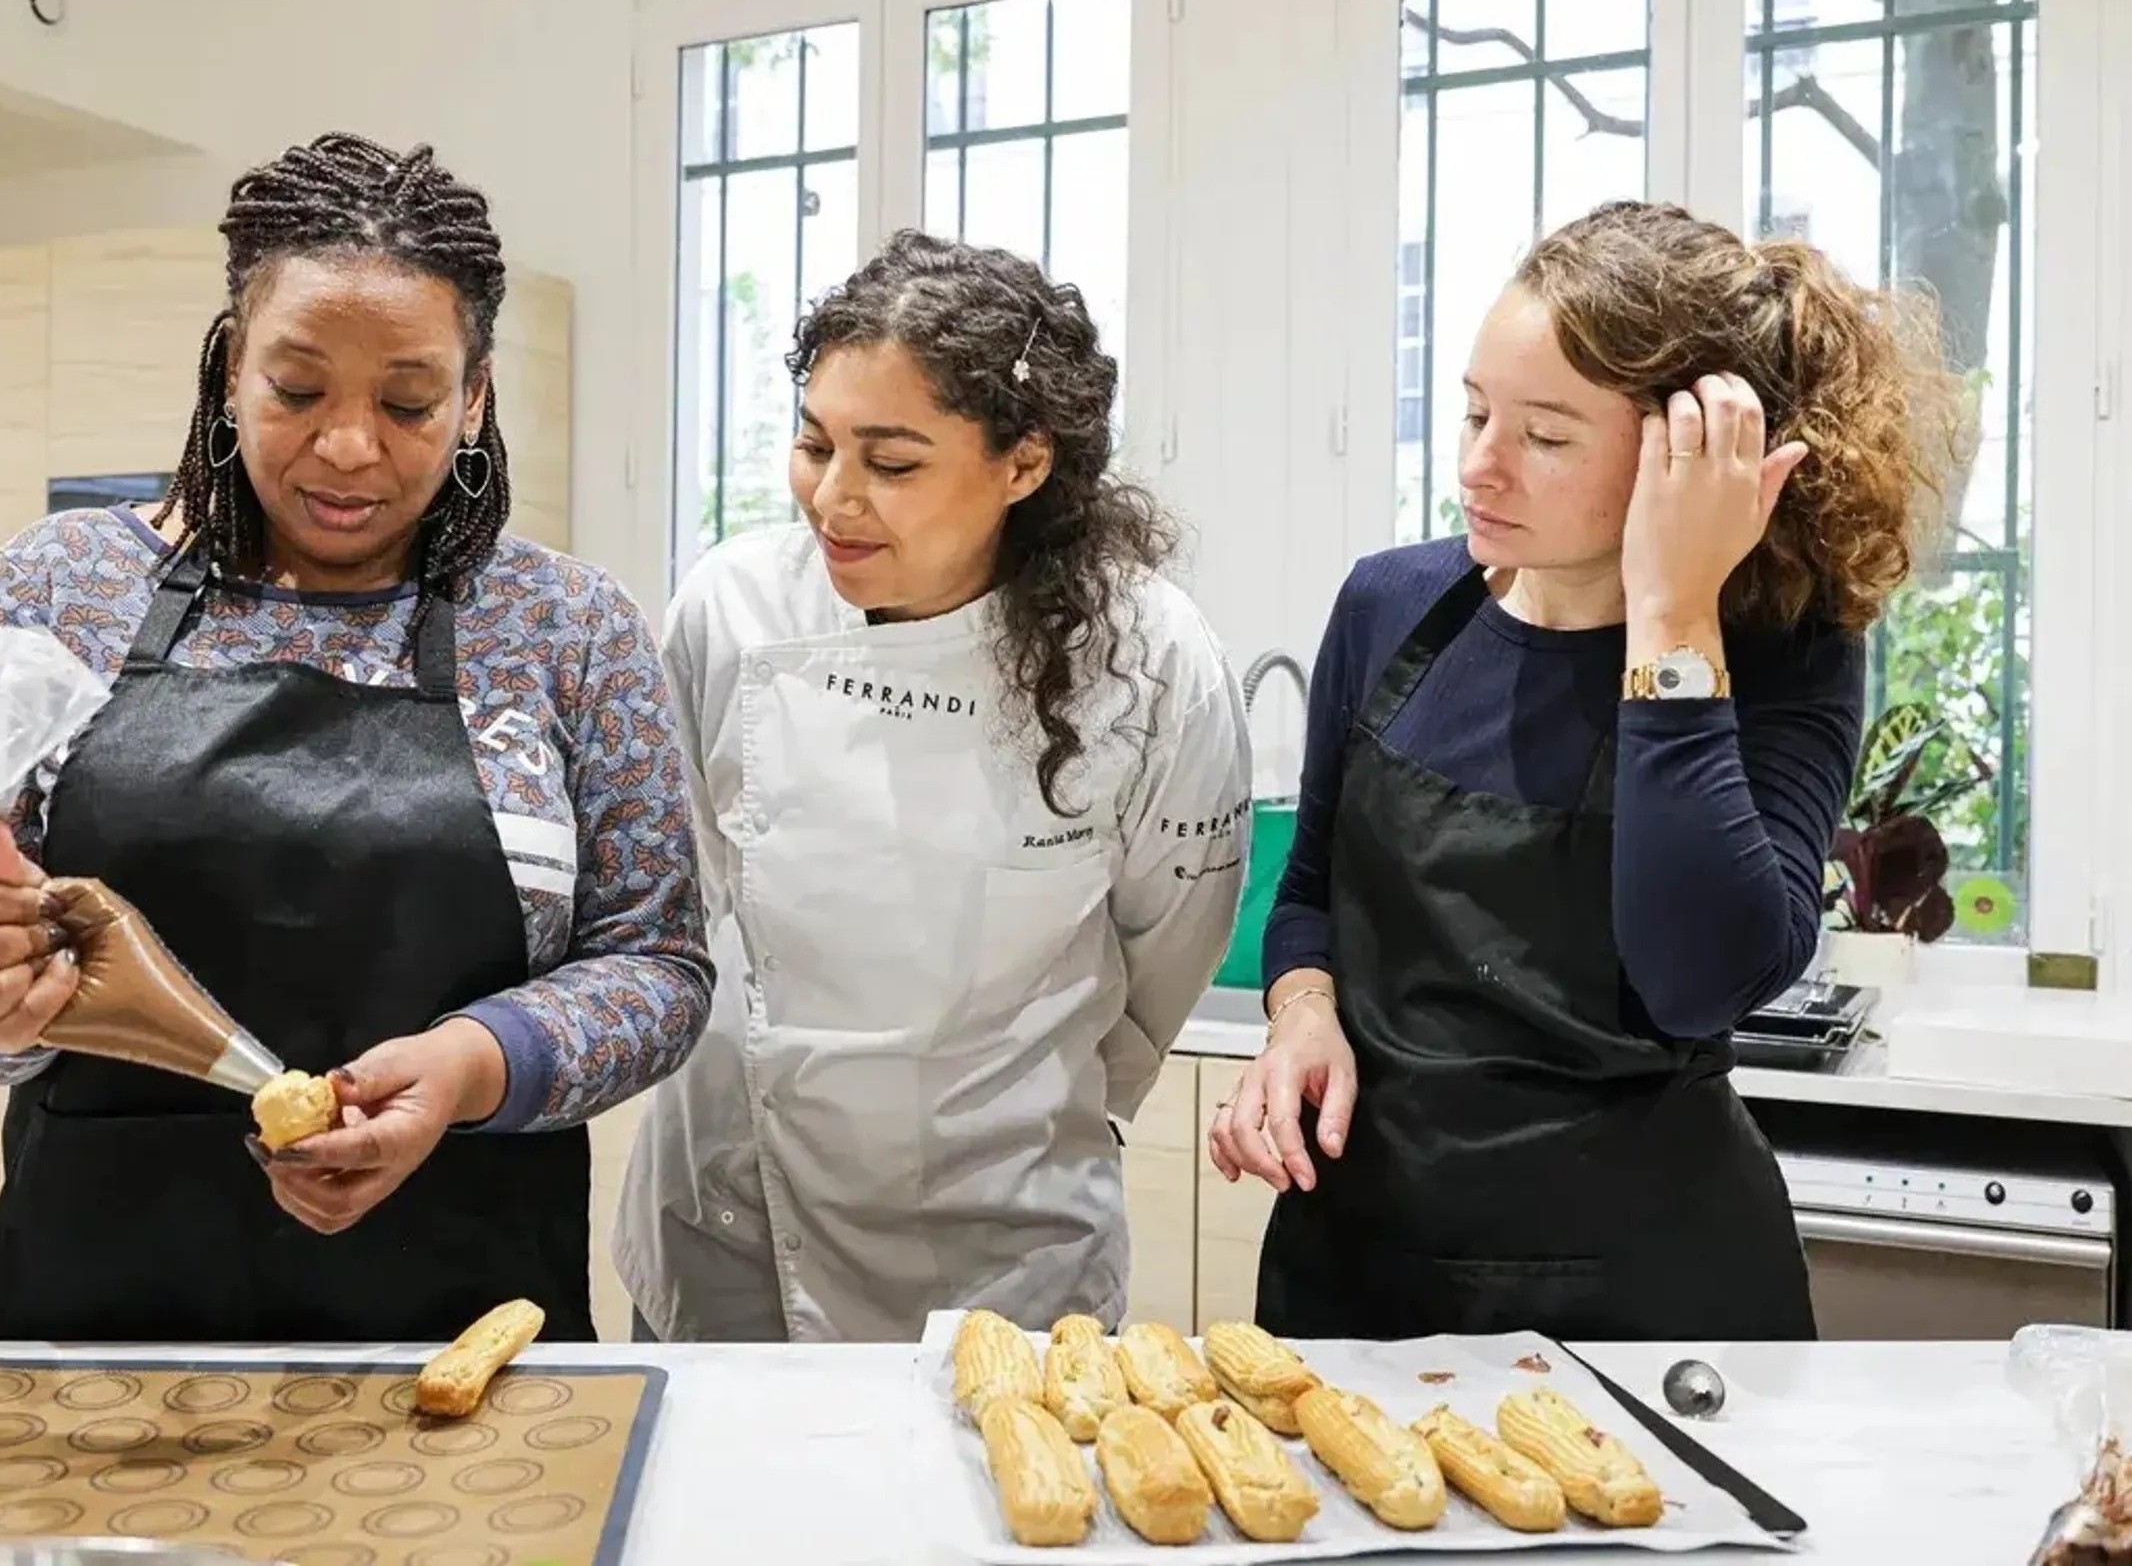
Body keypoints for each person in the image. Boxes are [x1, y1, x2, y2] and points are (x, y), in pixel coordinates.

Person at [0, 133, 713, 1344]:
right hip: (93, 1321)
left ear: (475, 397)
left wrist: (477, 1060)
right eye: (297, 389)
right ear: (228, 371)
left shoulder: (566, 627)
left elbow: (660, 964)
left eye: (410, 400)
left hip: (468, 1322)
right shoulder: (61, 588)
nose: (349, 447)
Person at [1211, 199, 1958, 1343]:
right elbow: (1310, 894)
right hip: (1355, 1270)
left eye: (1545, 435)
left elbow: (1701, 976)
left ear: (1688, 451)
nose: (1478, 465)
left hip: (1653, 1303)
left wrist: (1669, 611)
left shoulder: (1783, 652)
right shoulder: (1390, 606)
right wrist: (1300, 1016)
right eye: (1470, 413)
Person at [614, 230, 1254, 1342]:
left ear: (1024, 462)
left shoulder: (1147, 659)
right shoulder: (733, 608)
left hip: (1008, 1240)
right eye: (814, 445)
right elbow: (687, 892)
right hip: (735, 1210)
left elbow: (1163, 960)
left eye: (893, 462)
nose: (834, 500)